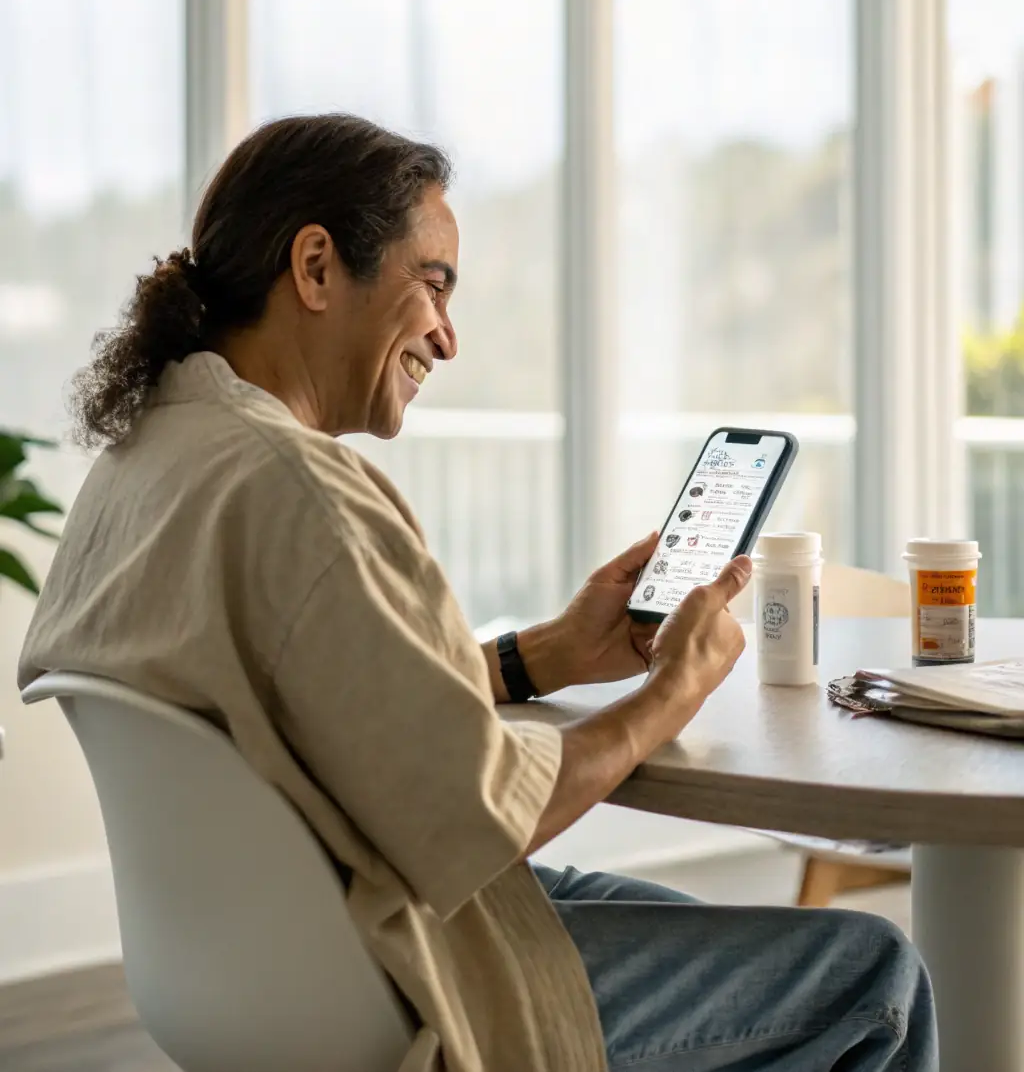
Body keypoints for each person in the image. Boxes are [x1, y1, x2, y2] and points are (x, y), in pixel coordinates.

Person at [19, 115, 938, 1072]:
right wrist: (671, 694)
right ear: (318, 266)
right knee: (876, 974)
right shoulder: (294, 491)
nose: (448, 340)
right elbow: (479, 819)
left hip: (280, 956)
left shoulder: (153, 458)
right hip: (408, 978)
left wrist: (539, 657)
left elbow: (327, 704)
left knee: (668, 918)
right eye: (434, 283)